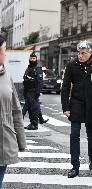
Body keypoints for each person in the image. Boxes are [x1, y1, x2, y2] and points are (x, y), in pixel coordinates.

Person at [61, 40, 92, 178]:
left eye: (83, 53)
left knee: (91, 135)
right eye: (78, 53)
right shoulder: (71, 65)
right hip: (76, 103)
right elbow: (65, 87)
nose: (80, 56)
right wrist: (65, 107)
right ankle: (75, 166)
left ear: (90, 52)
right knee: (74, 135)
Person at [0, 35, 26, 188]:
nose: (5, 54)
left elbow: (16, 110)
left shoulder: (7, 76)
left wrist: (21, 141)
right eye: (4, 50)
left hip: (4, 141)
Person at [23, 51, 44, 130]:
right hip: (27, 91)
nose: (32, 60)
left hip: (34, 91)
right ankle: (32, 123)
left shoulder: (38, 69)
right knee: (30, 110)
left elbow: (40, 82)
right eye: (31, 58)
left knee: (34, 109)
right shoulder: (28, 69)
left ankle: (35, 124)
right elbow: (25, 79)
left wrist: (38, 92)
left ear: (36, 59)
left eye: (34, 58)